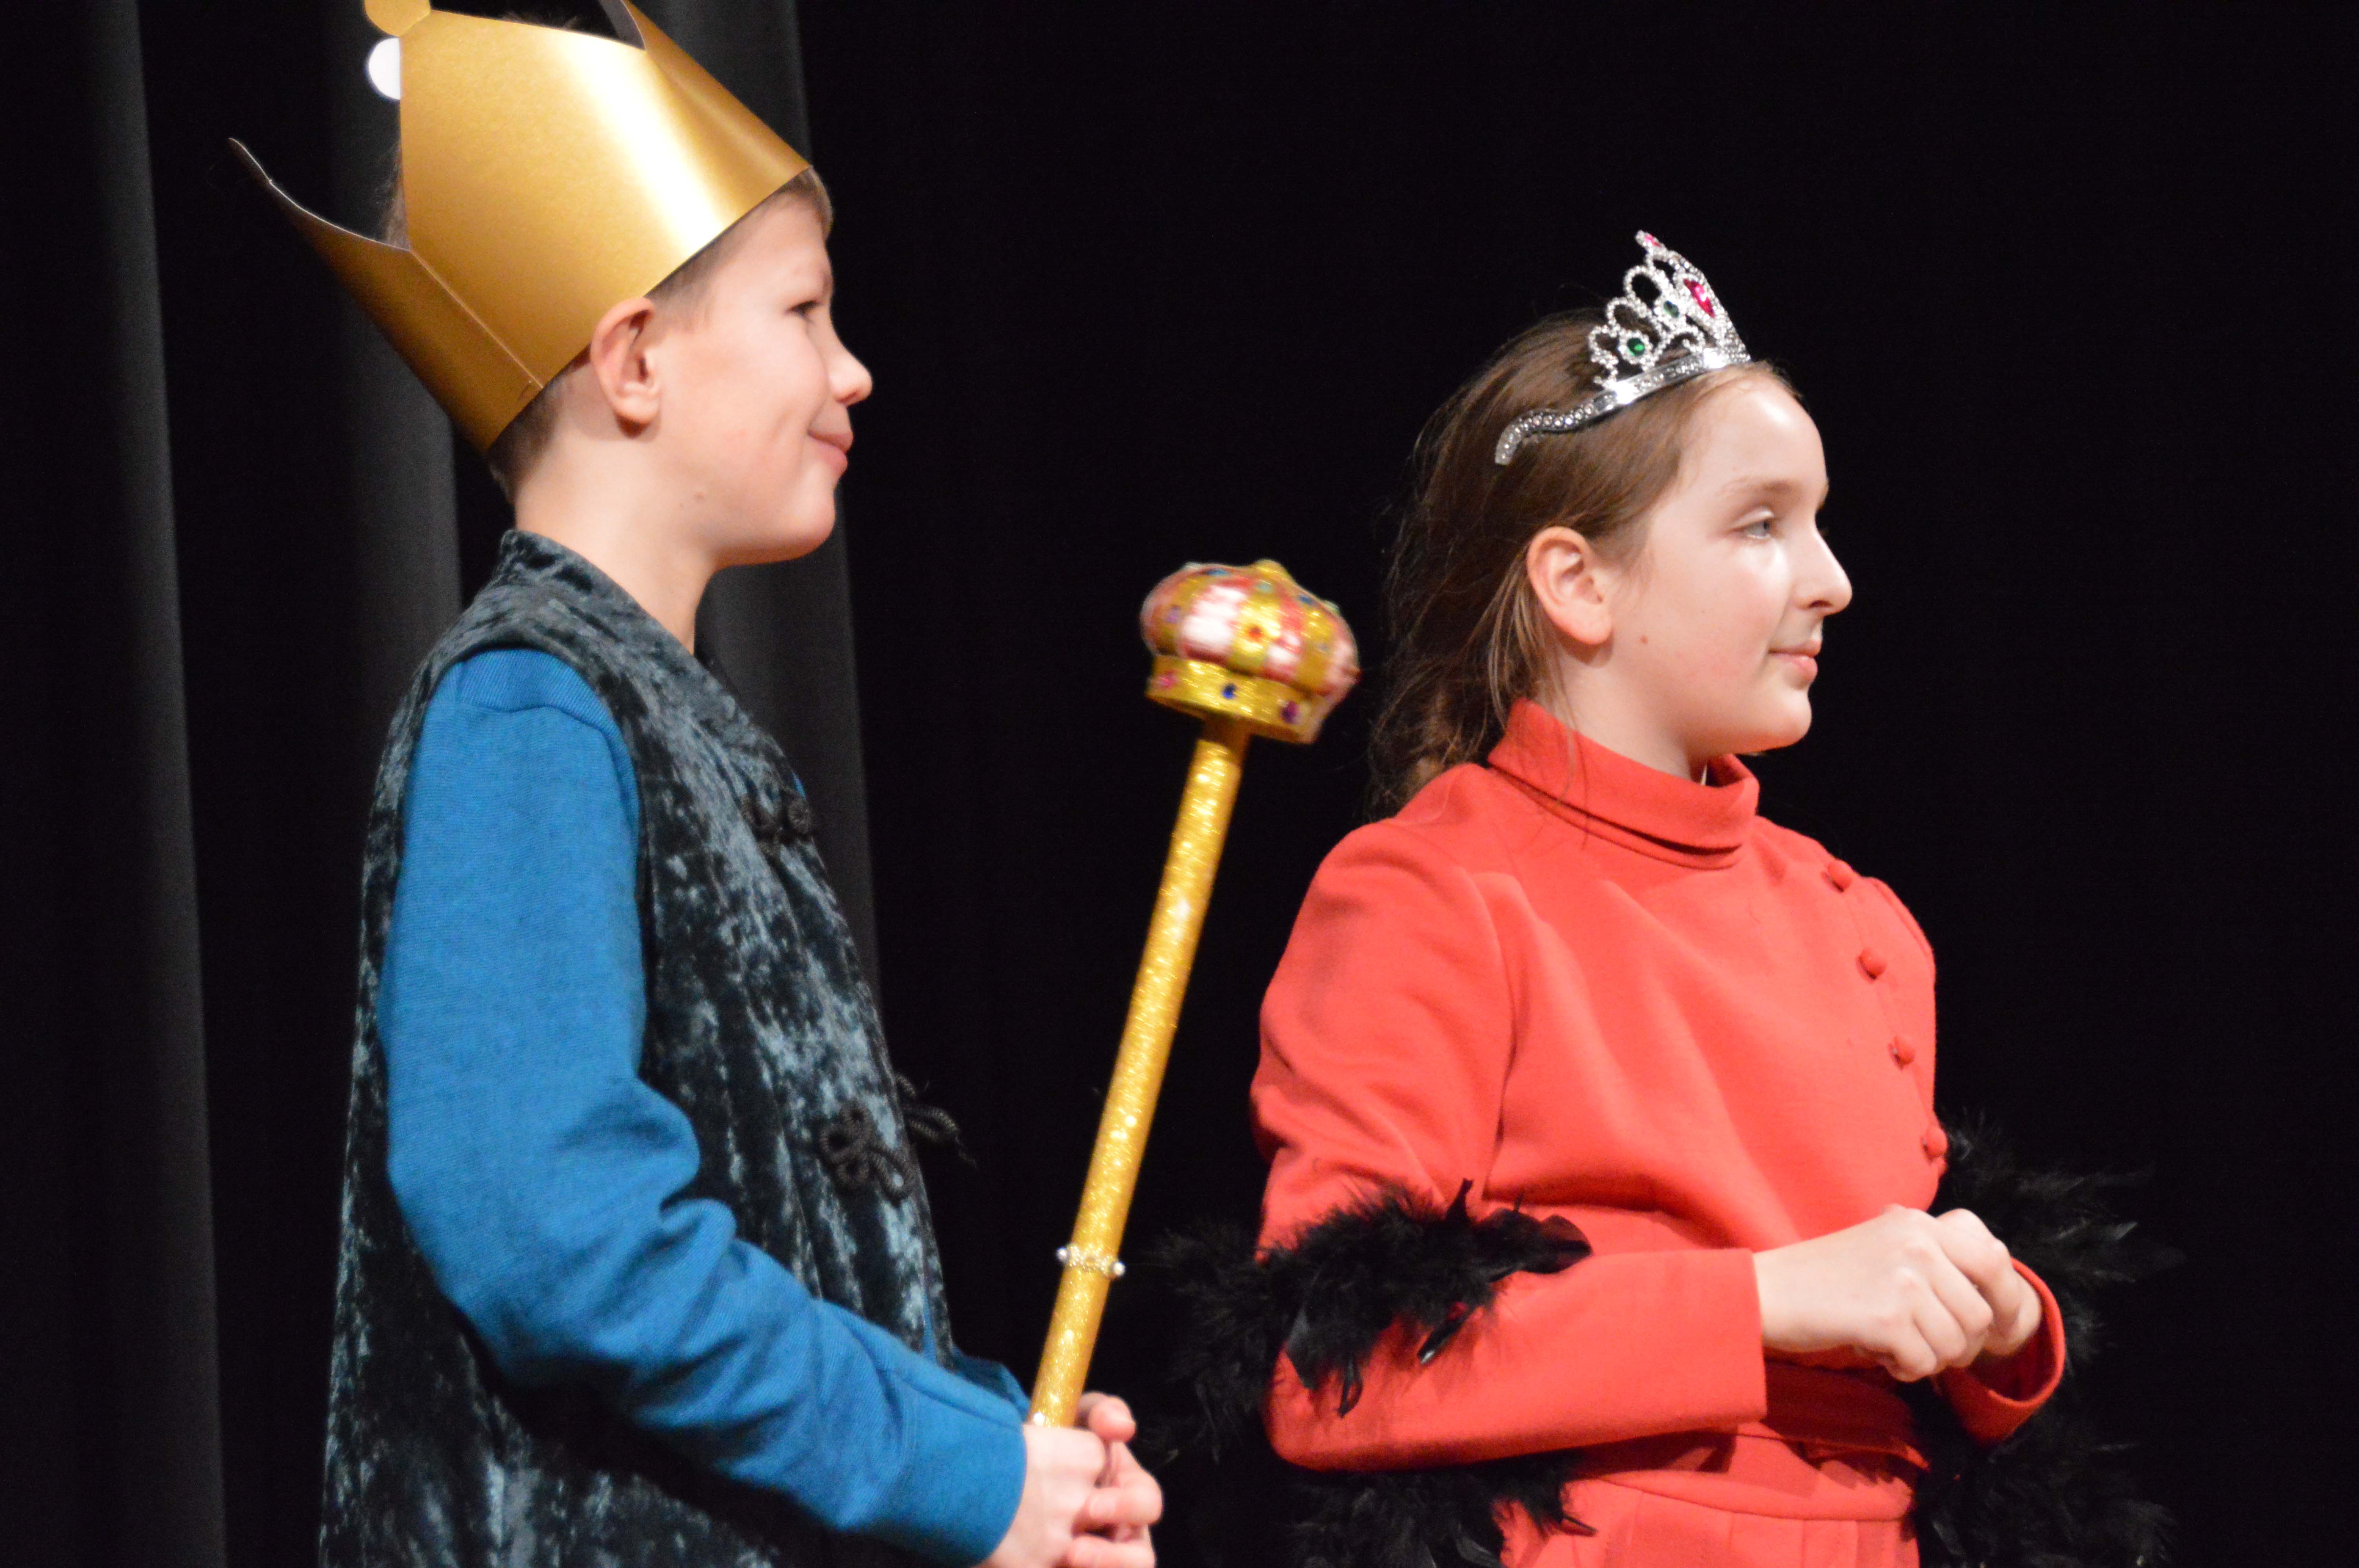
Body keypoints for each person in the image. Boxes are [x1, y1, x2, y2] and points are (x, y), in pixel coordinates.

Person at [238, 5, 1158, 1566]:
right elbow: (552, 1225)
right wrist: (949, 1464)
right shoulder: (528, 705)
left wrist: (1009, 1451)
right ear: (635, 358)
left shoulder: (666, 716)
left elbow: (776, 1245)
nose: (853, 369)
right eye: (804, 311)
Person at [1219, 234, 2073, 1567]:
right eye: (1761, 525)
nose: (1832, 580)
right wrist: (1764, 1302)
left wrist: (1996, 1322)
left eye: (1818, 521)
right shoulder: (1432, 891)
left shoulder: (1862, 920)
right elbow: (1343, 1367)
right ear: (1579, 583)